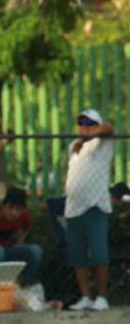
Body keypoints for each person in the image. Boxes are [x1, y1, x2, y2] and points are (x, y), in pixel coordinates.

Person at [64, 108, 116, 311]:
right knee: (78, 256)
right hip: (73, 208)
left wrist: (94, 132)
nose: (84, 128)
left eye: (90, 124)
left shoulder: (103, 143)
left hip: (94, 206)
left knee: (99, 254)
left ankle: (102, 297)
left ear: (97, 125)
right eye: (82, 124)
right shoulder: (74, 146)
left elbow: (109, 127)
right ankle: (85, 296)